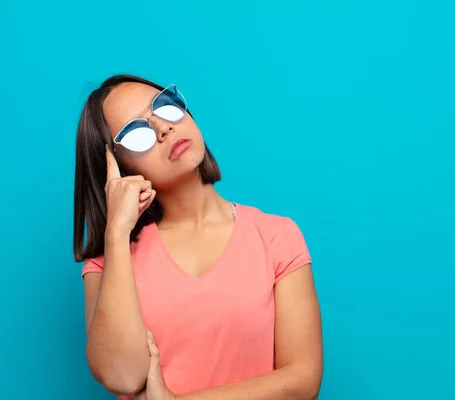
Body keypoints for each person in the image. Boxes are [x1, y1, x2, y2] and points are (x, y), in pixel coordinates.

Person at [73, 74, 323, 400]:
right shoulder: (109, 260)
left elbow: (303, 382)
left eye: (165, 105)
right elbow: (121, 375)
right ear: (116, 167)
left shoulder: (276, 237)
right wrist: (117, 232)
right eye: (136, 132)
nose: (163, 128)